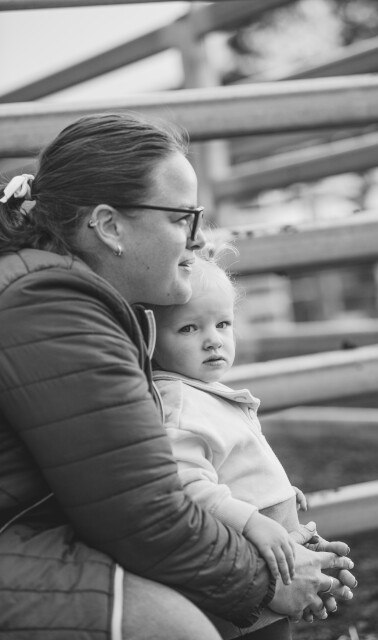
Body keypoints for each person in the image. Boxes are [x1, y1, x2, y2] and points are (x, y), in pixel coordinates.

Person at [0, 112, 356, 640]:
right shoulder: (50, 306)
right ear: (109, 226)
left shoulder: (62, 292)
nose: (197, 239)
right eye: (181, 218)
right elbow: (139, 514)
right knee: (174, 628)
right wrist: (269, 578)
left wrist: (285, 548)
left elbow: (130, 489)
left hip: (27, 530)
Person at [148, 244, 355, 638]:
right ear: (151, 338)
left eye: (223, 324)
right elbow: (185, 486)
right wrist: (252, 519)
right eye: (189, 328)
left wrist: (276, 491)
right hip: (244, 564)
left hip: (266, 557)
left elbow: (225, 463)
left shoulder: (200, 392)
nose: (213, 340)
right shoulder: (177, 402)